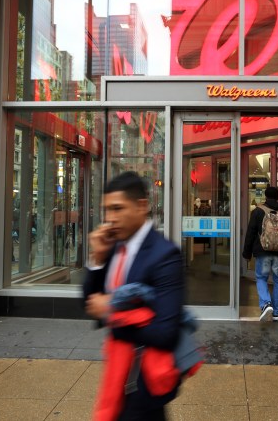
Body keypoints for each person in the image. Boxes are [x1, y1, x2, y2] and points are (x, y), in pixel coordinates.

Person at [83, 171, 184, 421]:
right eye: (106, 210)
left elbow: (165, 333)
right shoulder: (114, 244)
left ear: (142, 206)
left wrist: (112, 313)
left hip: (145, 383)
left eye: (117, 209)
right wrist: (96, 260)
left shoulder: (164, 255)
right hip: (116, 376)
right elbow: (89, 303)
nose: (110, 219)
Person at [243, 186, 278, 322]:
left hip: (263, 252)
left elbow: (250, 233)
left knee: (261, 278)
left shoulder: (258, 212)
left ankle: (266, 303)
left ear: (265, 197)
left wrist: (247, 253)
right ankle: (276, 313)